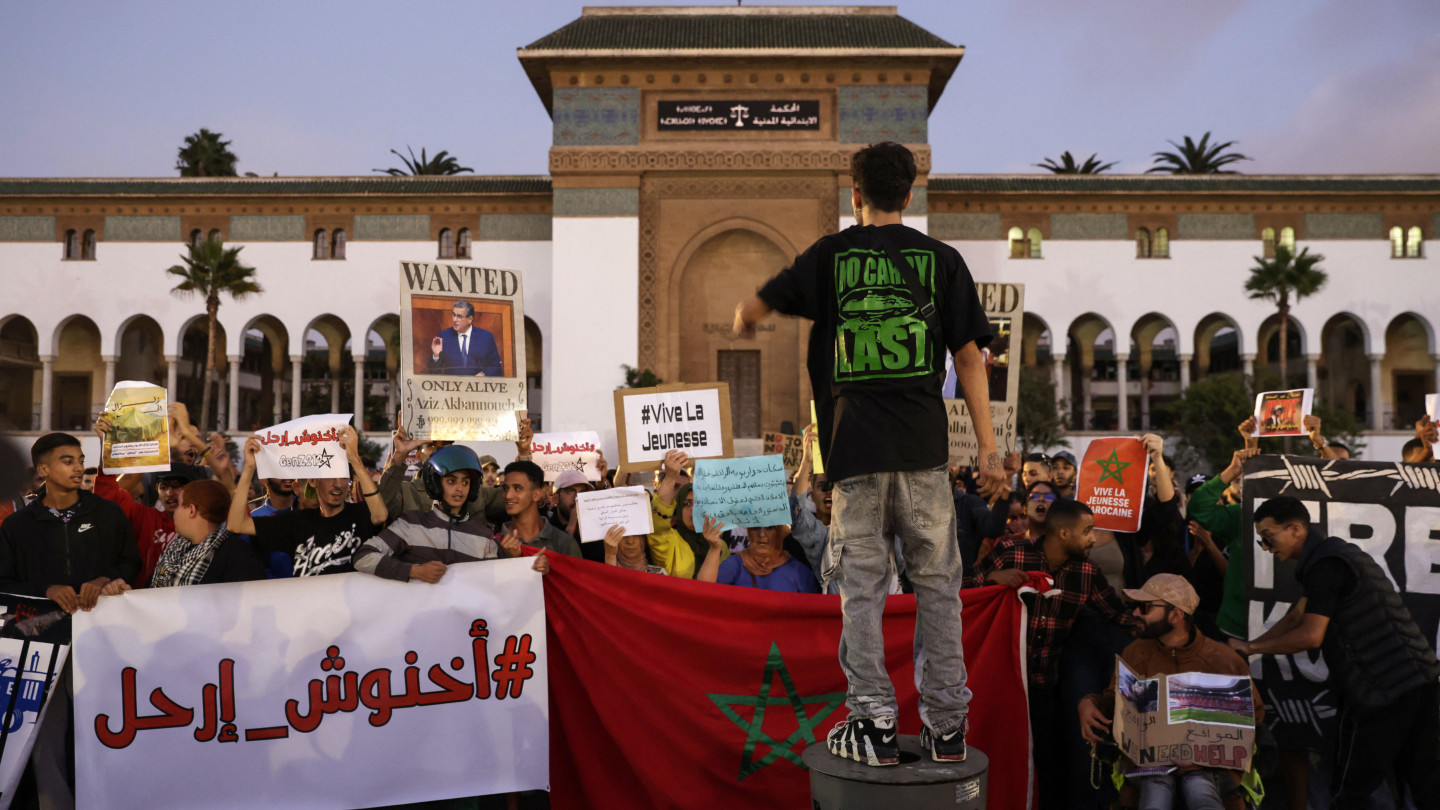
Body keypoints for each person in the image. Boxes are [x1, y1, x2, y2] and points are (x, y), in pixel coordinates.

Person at [734, 141, 1004, 766]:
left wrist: (748, 314)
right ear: (910, 194)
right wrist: (989, 449)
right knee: (938, 587)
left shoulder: (831, 255)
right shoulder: (942, 260)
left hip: (855, 454)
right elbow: (969, 358)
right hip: (925, 455)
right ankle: (946, 728)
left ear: (853, 193)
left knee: (862, 591)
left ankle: (875, 723)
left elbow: (762, 300)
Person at [1233, 496, 1440, 808]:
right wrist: (1249, 650)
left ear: (1294, 529)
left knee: (1351, 789)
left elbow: (1311, 635)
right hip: (1420, 682)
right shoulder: (1334, 554)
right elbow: (1296, 616)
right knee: (1425, 788)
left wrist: (1251, 647)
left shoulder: (1326, 565)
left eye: (1268, 536)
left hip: (1384, 689)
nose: (1266, 546)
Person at [967, 498, 1138, 810]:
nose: (1093, 538)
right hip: (1001, 684)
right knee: (993, 754)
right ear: (1062, 533)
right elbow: (961, 588)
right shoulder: (1012, 551)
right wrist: (993, 578)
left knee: (1041, 762)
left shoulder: (1087, 571)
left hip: (1044, 687)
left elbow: (1119, 616)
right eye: (1087, 531)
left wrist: (1162, 625)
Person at [0, 433, 138, 810]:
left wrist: (104, 580)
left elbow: (131, 562)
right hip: (43, 646)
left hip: (103, 641)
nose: (78, 467)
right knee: (46, 734)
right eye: (67, 460)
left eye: (80, 459)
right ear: (43, 470)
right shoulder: (18, 526)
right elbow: (4, 583)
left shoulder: (107, 514)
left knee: (104, 725)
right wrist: (46, 589)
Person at [1078, 575, 1262, 810]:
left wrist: (1205, 757)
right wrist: (1088, 703)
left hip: (1211, 770)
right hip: (1150, 767)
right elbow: (1114, 702)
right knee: (1156, 790)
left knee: (1199, 789)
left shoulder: (1224, 660)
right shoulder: (1135, 653)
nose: (1135, 613)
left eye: (1144, 607)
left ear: (1176, 614)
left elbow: (1253, 719)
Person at [354, 445, 548, 582]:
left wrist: (524, 564)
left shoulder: (484, 537)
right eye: (451, 481)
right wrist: (414, 571)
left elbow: (497, 586)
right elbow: (363, 557)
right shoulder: (410, 523)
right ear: (437, 484)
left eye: (465, 482)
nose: (459, 489)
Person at [227, 426, 387, 576]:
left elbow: (380, 516)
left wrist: (355, 460)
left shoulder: (360, 514)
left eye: (344, 477)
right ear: (313, 481)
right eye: (330, 477)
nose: (338, 484)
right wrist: (248, 468)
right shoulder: (297, 522)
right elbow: (237, 524)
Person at [151, 480, 264, 587]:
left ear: (191, 510)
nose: (175, 512)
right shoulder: (176, 548)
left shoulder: (237, 555)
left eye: (179, 505)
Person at [647, 450, 729, 578]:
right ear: (679, 508)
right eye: (687, 504)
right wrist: (670, 477)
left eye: (700, 503)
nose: (694, 509)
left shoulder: (720, 544)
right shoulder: (669, 540)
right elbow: (659, 520)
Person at [700, 519, 820, 593]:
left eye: (769, 528)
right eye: (755, 527)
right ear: (748, 531)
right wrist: (714, 549)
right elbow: (703, 593)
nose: (762, 534)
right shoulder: (736, 564)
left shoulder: (798, 572)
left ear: (779, 532)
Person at [497, 460, 582, 559]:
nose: (508, 495)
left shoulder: (565, 543)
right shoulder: (494, 544)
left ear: (536, 495)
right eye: (505, 488)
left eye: (517, 488)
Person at [428, 300, 503, 377]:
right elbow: (433, 373)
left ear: (470, 319)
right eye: (453, 315)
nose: (454, 320)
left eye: (459, 316)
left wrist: (483, 374)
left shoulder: (486, 337)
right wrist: (436, 356)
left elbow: (496, 367)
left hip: (478, 387)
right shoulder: (444, 335)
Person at [248, 477, 297, 578]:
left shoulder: (308, 508)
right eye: (278, 471)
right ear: (264, 479)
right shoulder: (254, 517)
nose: (287, 476)